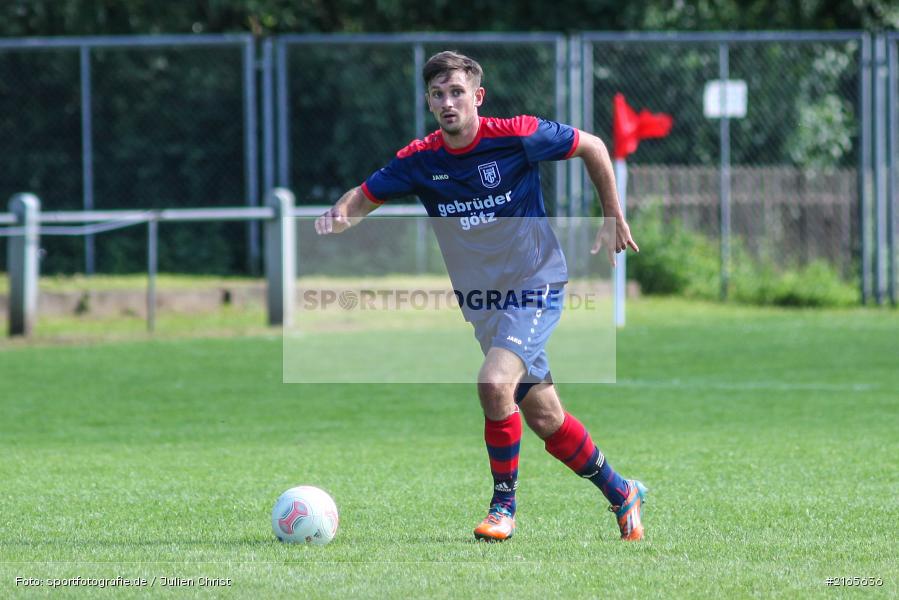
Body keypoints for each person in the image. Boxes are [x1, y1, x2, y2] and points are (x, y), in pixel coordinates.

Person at [314, 51, 646, 542]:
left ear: (477, 97)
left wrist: (612, 214)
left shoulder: (516, 134)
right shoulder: (420, 159)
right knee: (546, 417)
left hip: (536, 282)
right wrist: (341, 216)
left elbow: (593, 146)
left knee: (494, 384)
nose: (448, 103)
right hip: (484, 304)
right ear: (429, 101)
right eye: (438, 95)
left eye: (457, 93)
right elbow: (363, 196)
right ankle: (622, 493)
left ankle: (503, 507)